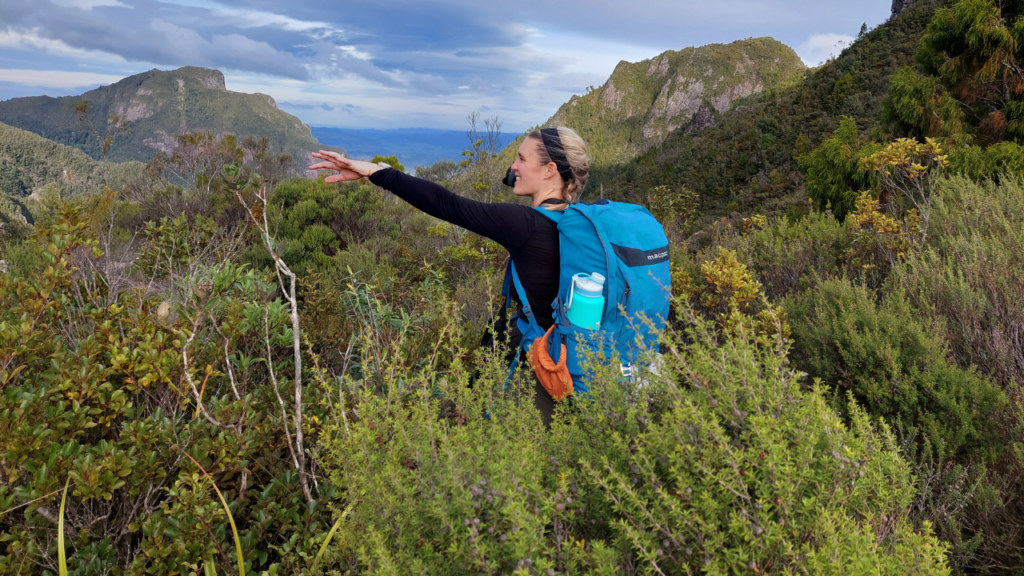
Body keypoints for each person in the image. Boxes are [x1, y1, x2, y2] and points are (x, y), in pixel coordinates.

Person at [309, 127, 589, 425]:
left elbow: (448, 205)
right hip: (569, 363)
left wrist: (376, 173)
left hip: (535, 372)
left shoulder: (525, 224)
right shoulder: (578, 223)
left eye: (521, 159)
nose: (513, 167)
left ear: (549, 170)